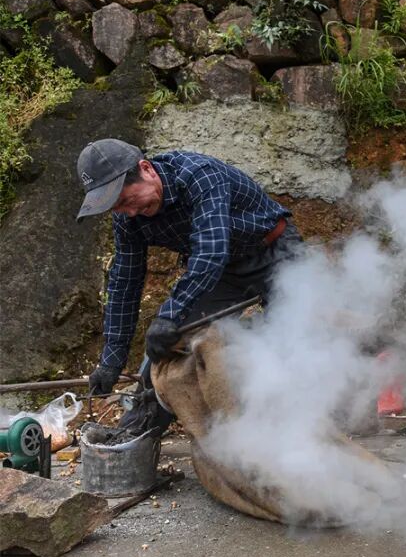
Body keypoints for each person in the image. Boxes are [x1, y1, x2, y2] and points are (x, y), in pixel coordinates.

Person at [75, 139, 302, 436]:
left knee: (297, 342)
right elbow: (124, 283)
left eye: (127, 200)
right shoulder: (127, 219)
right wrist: (111, 361)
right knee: (168, 343)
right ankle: (134, 436)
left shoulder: (200, 175)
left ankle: (305, 428)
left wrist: (169, 313)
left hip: (275, 251)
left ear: (146, 169)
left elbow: (210, 252)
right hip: (222, 273)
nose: (128, 212)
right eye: (118, 207)